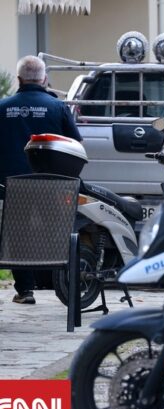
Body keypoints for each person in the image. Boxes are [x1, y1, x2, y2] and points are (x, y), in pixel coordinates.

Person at [0, 55, 82, 304]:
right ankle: (59, 284)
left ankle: (25, 290)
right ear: (44, 79)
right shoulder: (57, 107)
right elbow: (76, 143)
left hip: (12, 184)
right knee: (54, 232)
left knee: (18, 234)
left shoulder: (3, 107)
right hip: (50, 184)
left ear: (19, 79)